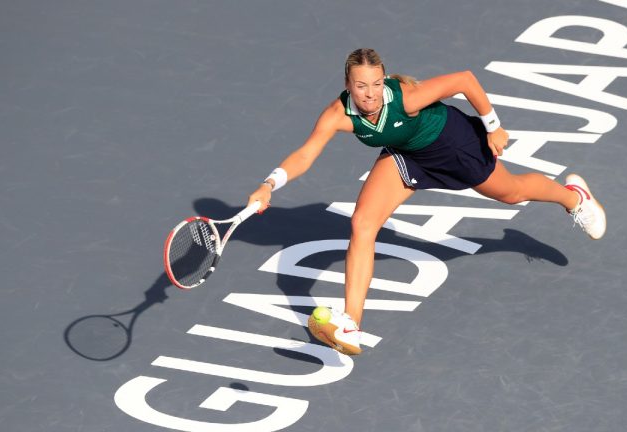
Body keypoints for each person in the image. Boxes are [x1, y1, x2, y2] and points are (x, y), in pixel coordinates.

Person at [247, 48, 606, 355]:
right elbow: (306, 155)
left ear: (384, 80)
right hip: (407, 155)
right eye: (360, 86)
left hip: (453, 143)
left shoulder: (404, 98)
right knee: (362, 224)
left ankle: (574, 197)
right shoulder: (338, 115)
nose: (369, 94)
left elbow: (464, 80)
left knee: (511, 193)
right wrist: (269, 184)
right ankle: (351, 323)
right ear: (348, 86)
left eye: (375, 84)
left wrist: (493, 126)